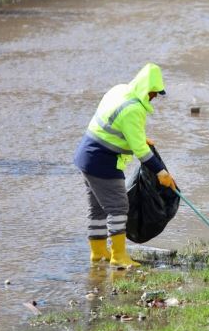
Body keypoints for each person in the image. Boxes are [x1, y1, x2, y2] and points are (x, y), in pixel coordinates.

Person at [73, 63, 176, 267]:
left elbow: (113, 122)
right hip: (102, 161)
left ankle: (98, 252)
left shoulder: (119, 90)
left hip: (86, 156)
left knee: (97, 209)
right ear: (147, 89)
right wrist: (160, 172)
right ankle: (118, 256)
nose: (155, 97)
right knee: (119, 207)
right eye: (154, 93)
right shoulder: (134, 109)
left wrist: (137, 137)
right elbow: (141, 152)